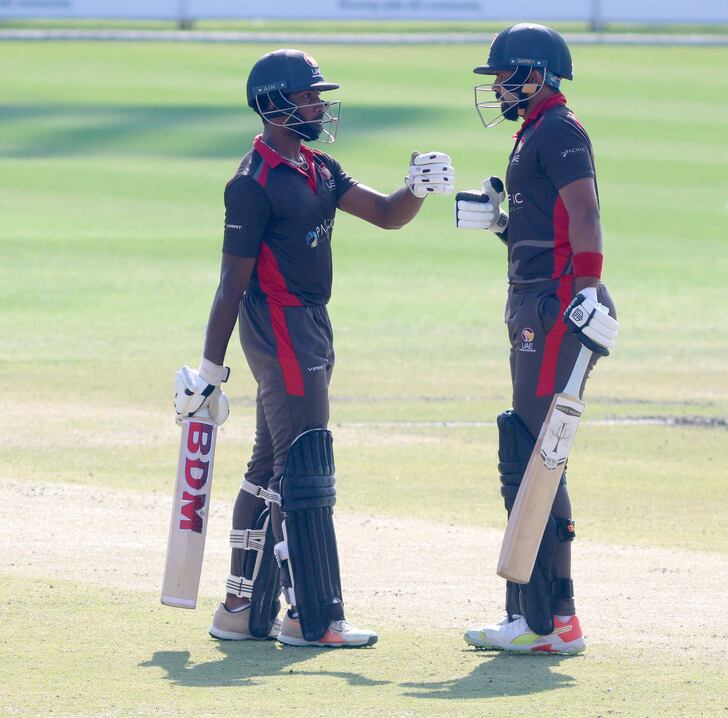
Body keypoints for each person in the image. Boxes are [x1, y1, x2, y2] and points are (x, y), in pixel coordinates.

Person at [174, 48, 454, 648]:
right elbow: (231, 283)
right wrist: (208, 369)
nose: (319, 105)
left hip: (311, 324)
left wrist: (416, 188)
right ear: (275, 104)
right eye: (308, 97)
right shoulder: (251, 183)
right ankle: (310, 617)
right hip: (277, 326)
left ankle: (238, 610)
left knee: (271, 465)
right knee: (303, 463)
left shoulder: (317, 168)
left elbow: (384, 214)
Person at [455, 23, 619, 654]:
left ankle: (541, 623)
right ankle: (556, 616)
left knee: (531, 449)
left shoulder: (558, 128)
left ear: (536, 75)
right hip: (537, 297)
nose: (496, 86)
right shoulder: (534, 131)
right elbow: (546, 225)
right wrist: (500, 225)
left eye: (504, 75)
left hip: (553, 306)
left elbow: (585, 211)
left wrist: (587, 287)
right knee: (538, 448)